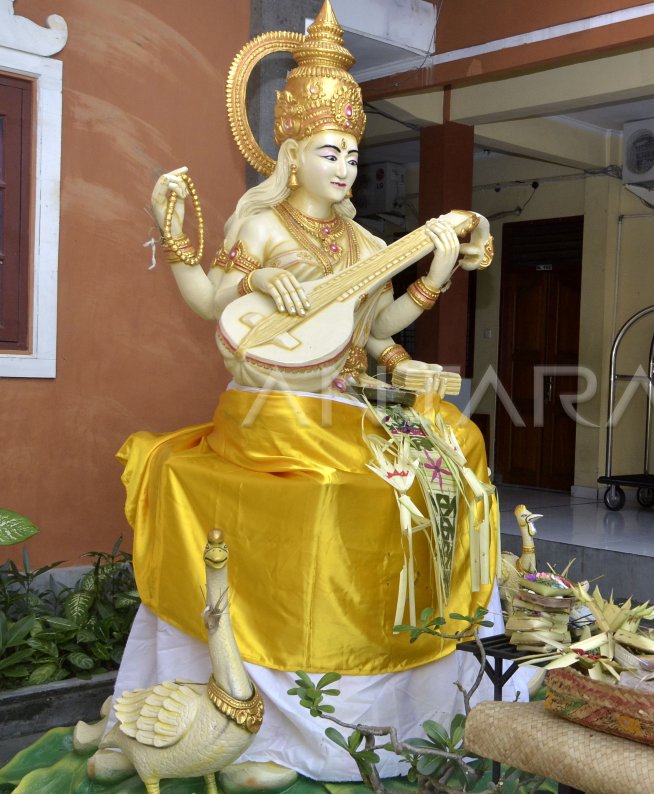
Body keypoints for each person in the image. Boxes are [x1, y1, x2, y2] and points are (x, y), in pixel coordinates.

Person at [113, 3, 520, 782]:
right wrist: (185, 247)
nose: (344, 169)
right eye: (329, 153)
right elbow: (211, 303)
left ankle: (429, 637)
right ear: (292, 154)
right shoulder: (260, 225)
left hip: (345, 402)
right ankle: (304, 701)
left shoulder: (369, 245)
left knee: (457, 443)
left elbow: (375, 333)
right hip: (272, 411)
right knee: (334, 484)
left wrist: (432, 269)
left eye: (354, 158)